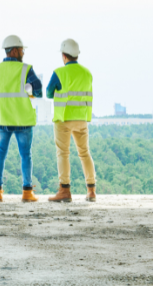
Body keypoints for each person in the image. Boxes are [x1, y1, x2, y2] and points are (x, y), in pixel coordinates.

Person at [0, 35, 42, 203]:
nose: (23, 53)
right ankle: (27, 193)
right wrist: (29, 90)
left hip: (2, 120)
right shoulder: (25, 69)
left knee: (0, 154)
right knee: (25, 155)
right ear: (16, 50)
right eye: (22, 50)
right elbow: (38, 91)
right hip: (23, 121)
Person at [46, 39, 96, 203]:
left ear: (64, 55)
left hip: (63, 119)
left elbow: (48, 93)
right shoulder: (87, 73)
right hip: (81, 118)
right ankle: (91, 191)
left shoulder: (59, 73)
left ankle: (65, 191)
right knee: (84, 153)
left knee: (63, 153)